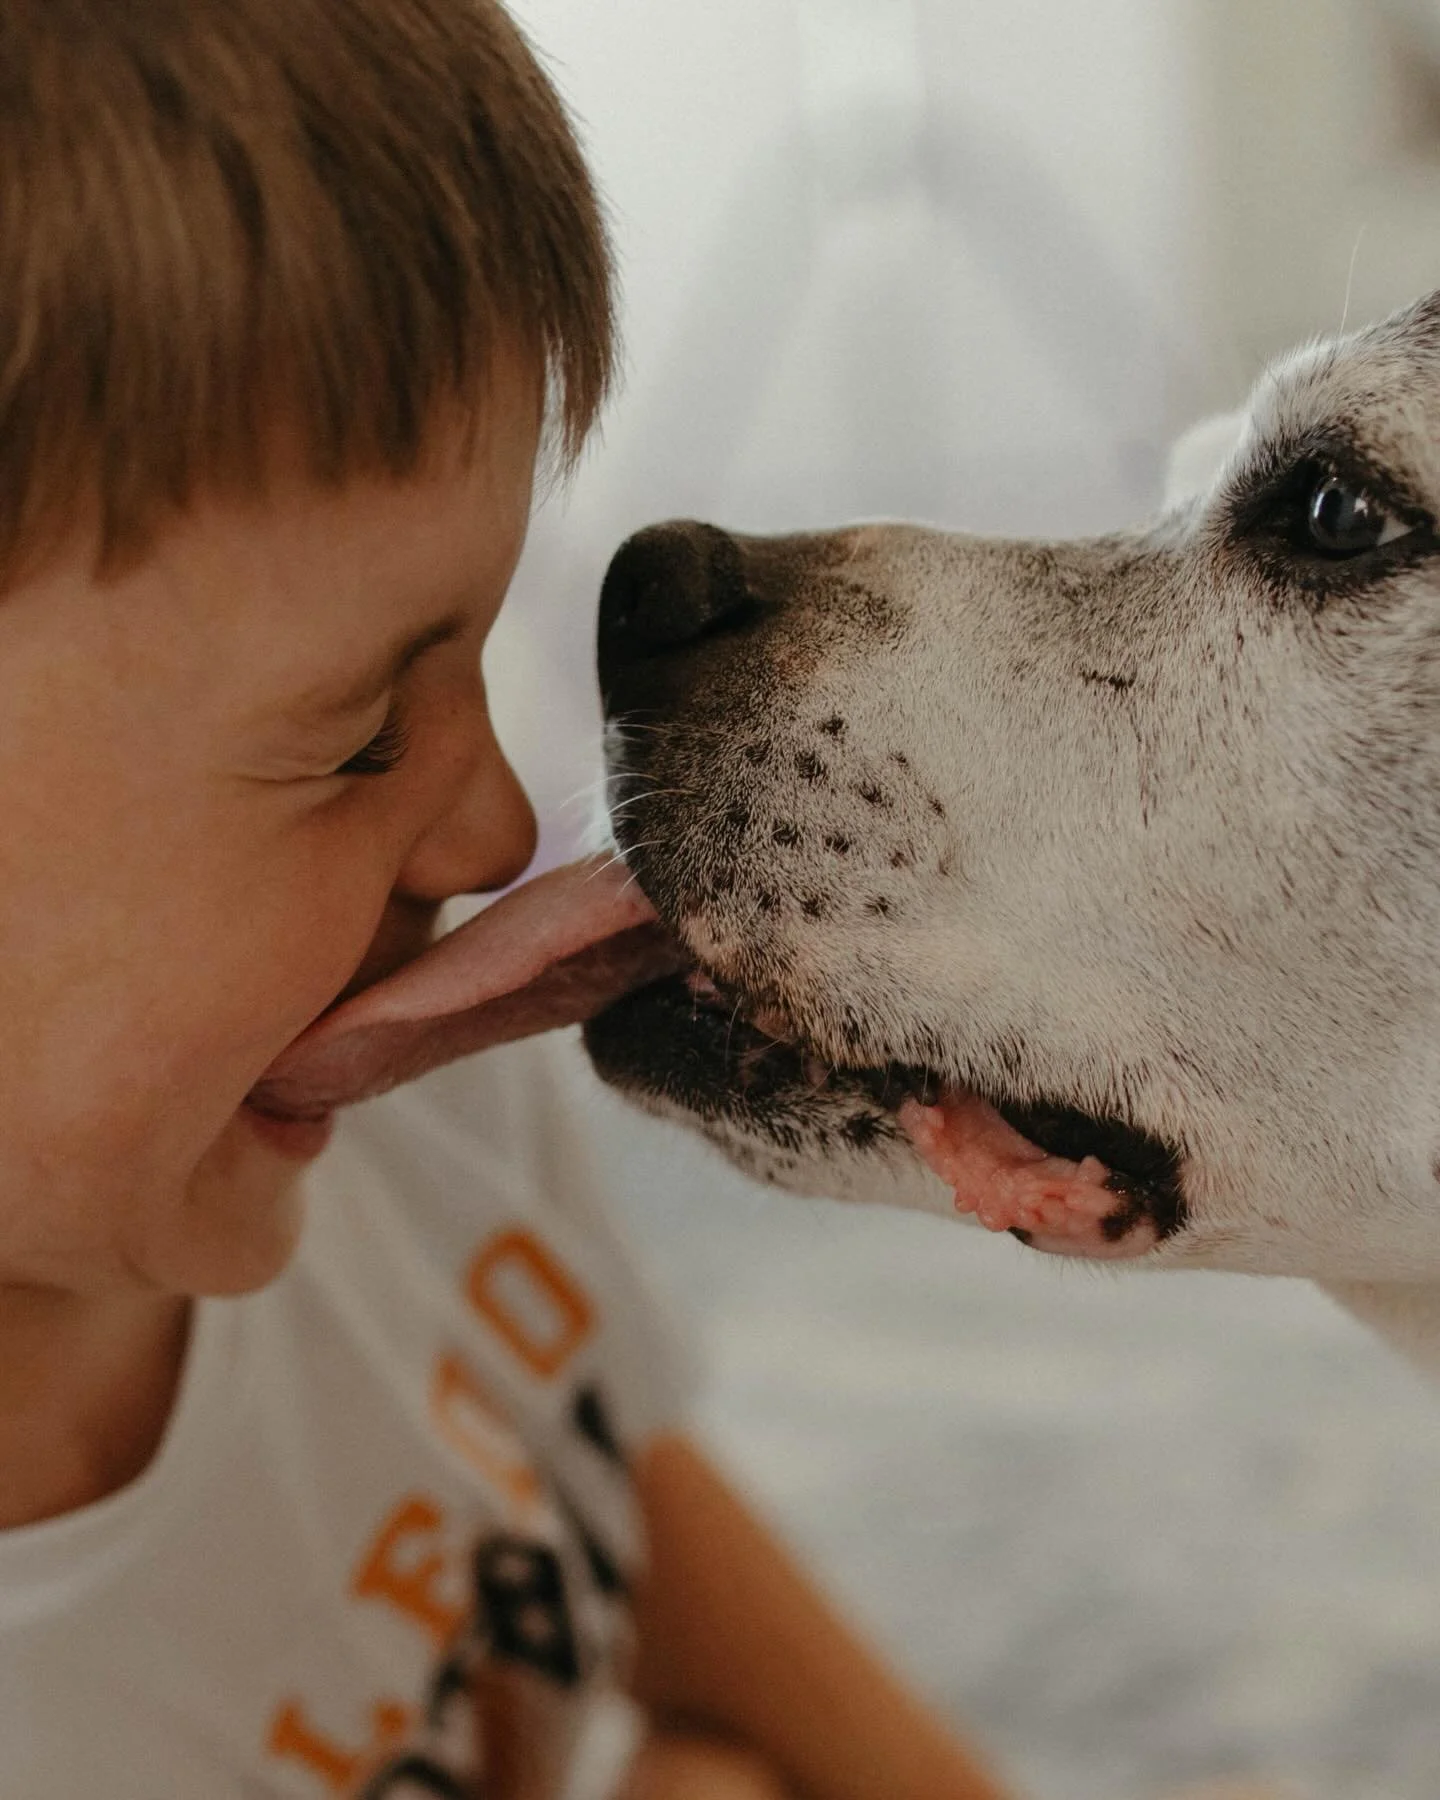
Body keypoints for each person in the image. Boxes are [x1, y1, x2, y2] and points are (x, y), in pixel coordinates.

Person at [0, 3, 1019, 1796]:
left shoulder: (388, 1118)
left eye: (478, 651)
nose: (489, 830)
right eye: (355, 739)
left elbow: (632, 1504)